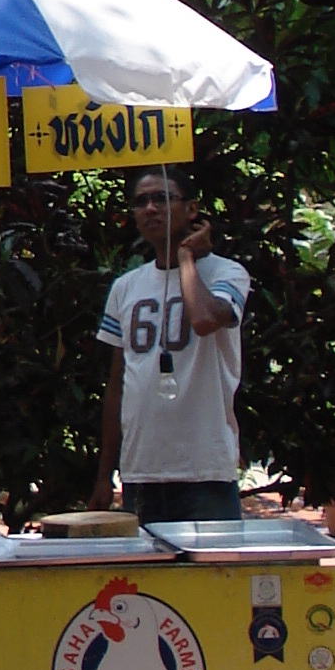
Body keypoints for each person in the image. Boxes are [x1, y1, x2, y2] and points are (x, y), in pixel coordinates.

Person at [91, 170, 252, 526]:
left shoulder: (228, 274)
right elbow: (117, 386)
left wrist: (185, 258)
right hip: (142, 474)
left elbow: (204, 320)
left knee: (210, 581)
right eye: (140, 202)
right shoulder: (125, 288)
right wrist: (105, 476)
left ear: (192, 209)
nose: (150, 209)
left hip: (204, 472)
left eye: (162, 198)